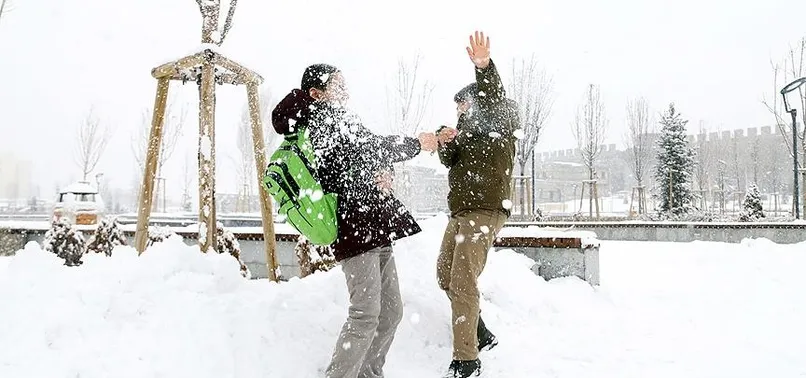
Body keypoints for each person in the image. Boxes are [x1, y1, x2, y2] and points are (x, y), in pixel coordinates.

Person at [271, 64, 439, 378]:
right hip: (354, 228)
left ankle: (368, 374)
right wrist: (415, 144)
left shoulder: (341, 120)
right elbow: (364, 151)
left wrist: (380, 173)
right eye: (338, 85)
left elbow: (362, 157)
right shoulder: (320, 121)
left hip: (374, 224)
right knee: (365, 314)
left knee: (391, 312)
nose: (346, 90)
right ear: (316, 93)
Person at [435, 31, 518, 378]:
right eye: (457, 107)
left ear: (478, 101)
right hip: (462, 213)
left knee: (464, 281)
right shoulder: (465, 132)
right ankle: (480, 332)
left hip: (485, 211)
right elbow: (448, 159)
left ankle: (466, 359)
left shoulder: (500, 118)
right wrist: (444, 139)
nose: (460, 110)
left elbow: (493, 94)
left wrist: (483, 66)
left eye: (464, 104)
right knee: (445, 276)